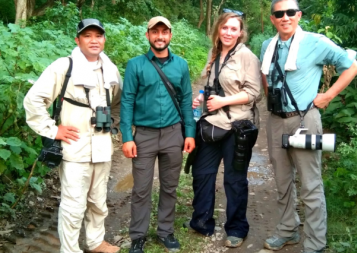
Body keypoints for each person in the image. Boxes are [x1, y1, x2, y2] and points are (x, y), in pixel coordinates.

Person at [260, 0, 357, 252]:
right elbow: (267, 77)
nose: (285, 17)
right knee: (282, 181)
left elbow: (353, 67)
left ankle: (315, 242)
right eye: (279, 13)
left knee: (310, 183)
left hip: (305, 119)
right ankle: (288, 229)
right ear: (272, 18)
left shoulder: (315, 42)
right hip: (275, 120)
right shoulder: (267, 45)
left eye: (290, 12)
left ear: (298, 15)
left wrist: (328, 95)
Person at [24, 19, 121, 253]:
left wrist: (113, 128)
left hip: (102, 148)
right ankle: (70, 249)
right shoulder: (63, 67)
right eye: (87, 36)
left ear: (104, 40)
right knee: (73, 205)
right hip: (74, 147)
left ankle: (95, 242)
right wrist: (53, 129)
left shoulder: (111, 70)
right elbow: (33, 100)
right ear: (78, 40)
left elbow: (117, 103)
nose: (94, 40)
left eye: (98, 35)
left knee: (98, 201)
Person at [185, 11, 262, 248]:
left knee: (234, 179)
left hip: (237, 126)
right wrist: (200, 98)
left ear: (240, 33)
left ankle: (237, 228)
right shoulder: (214, 52)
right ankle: (202, 221)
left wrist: (223, 102)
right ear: (219, 29)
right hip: (211, 124)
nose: (228, 32)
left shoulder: (247, 57)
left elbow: (253, 93)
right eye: (225, 28)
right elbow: (211, 86)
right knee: (202, 173)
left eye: (233, 29)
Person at [120, 16, 196, 253]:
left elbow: (185, 100)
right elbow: (127, 100)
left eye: (164, 32)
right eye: (155, 32)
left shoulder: (181, 65)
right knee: (141, 189)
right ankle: (138, 236)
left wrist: (190, 133)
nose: (160, 36)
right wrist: (127, 136)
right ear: (148, 35)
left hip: (174, 134)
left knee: (169, 186)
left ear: (170, 35)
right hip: (144, 135)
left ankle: (165, 231)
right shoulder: (136, 65)